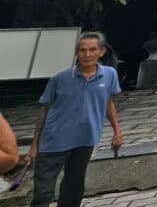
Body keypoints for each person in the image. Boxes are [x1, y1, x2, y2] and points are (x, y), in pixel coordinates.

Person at [27, 31, 123, 207]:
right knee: (43, 193)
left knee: (74, 188)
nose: (87, 55)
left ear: (101, 52)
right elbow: (44, 110)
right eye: (82, 50)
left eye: (92, 49)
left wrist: (117, 131)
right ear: (76, 53)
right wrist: (34, 145)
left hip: (85, 139)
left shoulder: (109, 74)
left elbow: (108, 103)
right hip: (53, 141)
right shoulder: (60, 78)